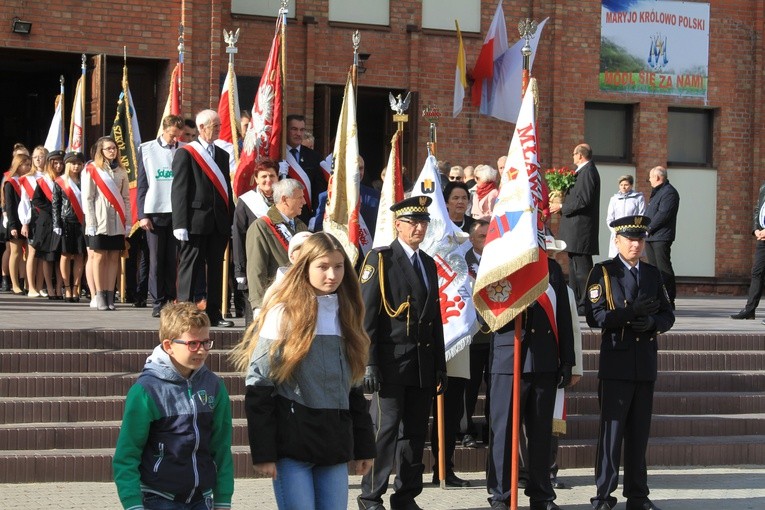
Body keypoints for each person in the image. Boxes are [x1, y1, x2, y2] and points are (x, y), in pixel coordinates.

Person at [231, 232, 375, 510]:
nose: (332, 275)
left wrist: (364, 447)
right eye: (322, 266)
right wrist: (264, 451)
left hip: (333, 443)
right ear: (304, 266)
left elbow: (354, 388)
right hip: (292, 446)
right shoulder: (282, 313)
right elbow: (259, 386)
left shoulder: (348, 314)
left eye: (338, 266)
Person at [357, 196, 448, 510]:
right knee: (384, 432)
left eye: (423, 222)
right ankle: (370, 497)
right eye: (413, 222)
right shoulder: (380, 260)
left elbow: (433, 318)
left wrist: (439, 365)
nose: (419, 228)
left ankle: (406, 495)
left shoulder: (429, 263)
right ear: (397, 224)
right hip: (390, 363)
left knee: (414, 434)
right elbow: (366, 316)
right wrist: (368, 362)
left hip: (421, 364)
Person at [585, 215, 675, 510]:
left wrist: (651, 322)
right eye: (630, 239)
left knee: (639, 434)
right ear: (618, 241)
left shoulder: (652, 274)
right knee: (612, 435)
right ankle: (604, 495)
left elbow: (668, 315)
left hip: (644, 363)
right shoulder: (604, 272)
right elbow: (595, 316)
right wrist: (629, 313)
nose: (636, 244)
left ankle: (638, 495)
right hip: (617, 364)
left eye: (640, 239)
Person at [112, 302, 234, 510]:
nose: (202, 351)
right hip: (158, 498)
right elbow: (127, 454)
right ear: (168, 346)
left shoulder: (214, 386)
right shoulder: (146, 390)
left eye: (206, 343)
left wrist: (223, 499)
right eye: (193, 344)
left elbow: (221, 447)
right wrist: (132, 504)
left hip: (201, 498)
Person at [486, 235, 575, 510]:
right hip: (508, 360)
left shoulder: (551, 270)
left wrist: (567, 360)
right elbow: (484, 315)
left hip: (544, 361)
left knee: (540, 434)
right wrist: (512, 307)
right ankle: (500, 495)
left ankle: (541, 494)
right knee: (503, 432)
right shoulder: (499, 267)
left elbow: (564, 317)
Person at [171, 109, 235, 328]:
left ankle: (214, 312)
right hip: (195, 221)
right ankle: (184, 314)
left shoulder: (223, 155)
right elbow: (179, 190)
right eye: (214, 125)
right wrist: (180, 223)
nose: (218, 128)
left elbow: (226, 189)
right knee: (190, 266)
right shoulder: (186, 153)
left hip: (218, 222)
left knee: (216, 268)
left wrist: (231, 218)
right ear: (201, 128)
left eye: (218, 125)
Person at [137, 114, 185, 318]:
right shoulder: (146, 149)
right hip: (155, 211)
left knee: (172, 259)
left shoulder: (184, 149)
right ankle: (157, 301)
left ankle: (170, 298)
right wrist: (143, 214)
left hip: (176, 212)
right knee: (156, 259)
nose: (175, 139)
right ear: (164, 130)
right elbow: (142, 183)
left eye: (178, 135)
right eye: (173, 135)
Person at [550, 143, 601, 315]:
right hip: (575, 229)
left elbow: (584, 200)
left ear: (580, 155)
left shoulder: (588, 172)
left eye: (573, 154)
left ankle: (588, 303)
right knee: (574, 268)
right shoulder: (582, 172)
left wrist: (562, 206)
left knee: (582, 270)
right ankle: (577, 302)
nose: (572, 157)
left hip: (581, 229)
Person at [244, 178, 308, 315]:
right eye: (300, 198)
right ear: (285, 199)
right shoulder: (261, 227)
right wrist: (258, 305)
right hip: (275, 302)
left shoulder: (301, 226)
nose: (304, 202)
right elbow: (256, 269)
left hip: (299, 300)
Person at [83, 137, 131, 311]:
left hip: (117, 220)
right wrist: (91, 223)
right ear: (100, 151)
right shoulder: (92, 170)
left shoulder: (121, 171)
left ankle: (110, 295)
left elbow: (126, 198)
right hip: (99, 219)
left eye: (114, 148)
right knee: (99, 257)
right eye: (108, 148)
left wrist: (128, 221)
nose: (112, 151)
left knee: (113, 257)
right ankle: (99, 294)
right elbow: (88, 198)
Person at [233, 159, 279, 324]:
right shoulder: (246, 202)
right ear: (256, 179)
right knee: (254, 322)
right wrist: (240, 270)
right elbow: (238, 236)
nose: (268, 180)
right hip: (253, 268)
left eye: (272, 176)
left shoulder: (284, 200)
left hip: (277, 268)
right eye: (264, 176)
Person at [461, 219, 491, 448]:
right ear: (471, 239)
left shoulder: (502, 260)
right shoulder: (462, 262)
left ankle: (492, 429)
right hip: (472, 336)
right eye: (482, 236)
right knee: (468, 388)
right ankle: (465, 431)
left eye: (489, 235)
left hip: (497, 335)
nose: (487, 239)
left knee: (496, 386)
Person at [310, 155, 381, 237]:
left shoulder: (375, 195)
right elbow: (319, 227)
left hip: (367, 247)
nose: (358, 172)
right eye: (354, 168)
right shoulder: (326, 196)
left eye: (361, 168)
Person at [52, 152, 86, 302]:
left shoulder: (85, 181)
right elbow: (55, 204)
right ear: (67, 164)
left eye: (79, 163)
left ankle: (76, 287)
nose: (76, 166)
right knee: (65, 255)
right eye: (73, 163)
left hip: (81, 222)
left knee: (79, 255)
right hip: (65, 221)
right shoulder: (60, 182)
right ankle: (66, 287)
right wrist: (56, 224)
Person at [644, 166, 680, 309]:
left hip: (661, 236)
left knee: (663, 268)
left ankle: (669, 299)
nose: (649, 180)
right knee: (653, 269)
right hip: (651, 237)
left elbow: (664, 214)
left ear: (658, 178)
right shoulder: (657, 192)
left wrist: (649, 228)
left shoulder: (669, 192)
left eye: (650, 178)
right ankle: (657, 297)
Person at [32, 150, 66, 299]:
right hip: (47, 223)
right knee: (48, 257)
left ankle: (59, 288)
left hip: (62, 222)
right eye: (55, 163)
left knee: (60, 257)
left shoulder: (66, 180)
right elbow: (36, 200)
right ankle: (50, 288)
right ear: (50, 164)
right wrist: (53, 209)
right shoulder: (43, 181)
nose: (58, 166)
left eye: (61, 163)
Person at [731, 181, 765, 321]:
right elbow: (758, 209)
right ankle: (750, 310)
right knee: (757, 273)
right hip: (762, 238)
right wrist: (756, 229)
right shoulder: (763, 187)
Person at [285, 114, 325, 221]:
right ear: (286, 129)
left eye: (302, 130)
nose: (298, 133)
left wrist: (316, 217)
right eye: (294, 129)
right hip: (283, 215)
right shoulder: (278, 155)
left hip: (305, 217)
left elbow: (319, 191)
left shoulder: (314, 157)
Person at [20, 145, 47, 296]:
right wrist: (25, 222)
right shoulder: (27, 179)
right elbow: (24, 201)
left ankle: (40, 286)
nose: (37, 159)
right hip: (34, 218)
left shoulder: (51, 176)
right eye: (35, 157)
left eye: (40, 156)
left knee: (43, 254)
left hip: (47, 218)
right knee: (32, 252)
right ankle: (31, 287)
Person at [1, 153, 31, 294]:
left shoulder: (27, 180)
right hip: (15, 222)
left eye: (29, 164)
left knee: (26, 254)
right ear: (18, 166)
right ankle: (14, 284)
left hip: (27, 220)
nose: (28, 167)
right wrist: (12, 225)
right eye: (26, 164)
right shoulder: (10, 182)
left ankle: (23, 281)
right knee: (16, 253)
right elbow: (10, 206)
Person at [606, 175, 645, 258]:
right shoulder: (614, 199)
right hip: (618, 233)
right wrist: (615, 231)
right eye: (621, 185)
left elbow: (641, 215)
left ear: (631, 185)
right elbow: (610, 218)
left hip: (632, 233)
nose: (623, 187)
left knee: (631, 256)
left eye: (626, 185)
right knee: (617, 259)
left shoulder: (638, 198)